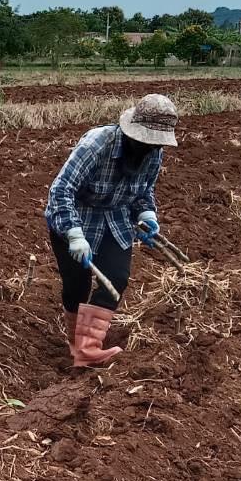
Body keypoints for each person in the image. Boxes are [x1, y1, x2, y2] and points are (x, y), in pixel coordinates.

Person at [44, 92, 178, 368]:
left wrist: (147, 214)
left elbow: (144, 190)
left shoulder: (153, 154)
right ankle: (74, 343)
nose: (149, 147)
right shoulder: (98, 143)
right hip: (76, 216)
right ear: (131, 133)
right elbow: (62, 189)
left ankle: (88, 349)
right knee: (76, 284)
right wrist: (74, 233)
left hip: (115, 220)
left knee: (117, 276)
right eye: (145, 141)